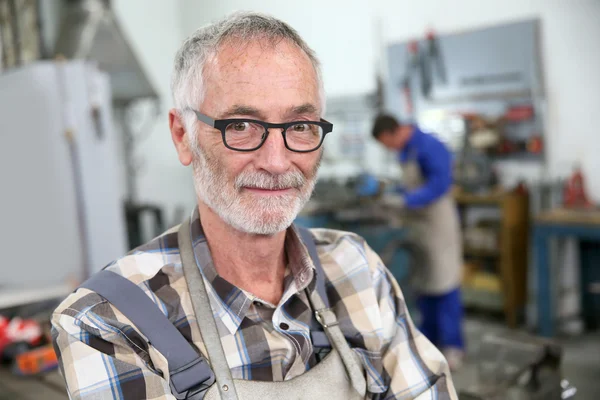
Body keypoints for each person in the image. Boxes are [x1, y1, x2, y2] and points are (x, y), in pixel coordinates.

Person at [51, 13, 458, 399]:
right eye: (241, 126)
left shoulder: (357, 269)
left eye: (300, 126)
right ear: (182, 136)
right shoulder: (107, 321)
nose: (277, 162)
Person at [371, 114, 465, 370]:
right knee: (424, 283)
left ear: (394, 132)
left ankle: (453, 346)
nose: (388, 149)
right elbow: (409, 184)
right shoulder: (406, 151)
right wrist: (395, 195)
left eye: (386, 143)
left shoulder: (429, 145)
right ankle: (429, 342)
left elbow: (440, 184)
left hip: (438, 224)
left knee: (444, 283)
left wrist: (407, 201)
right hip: (418, 226)